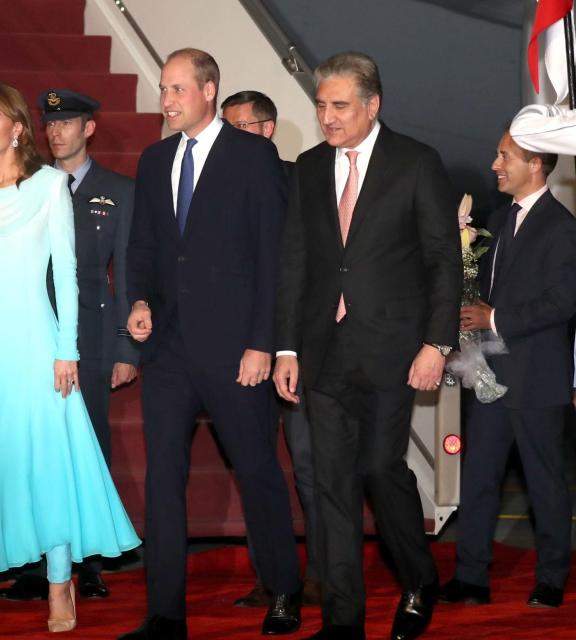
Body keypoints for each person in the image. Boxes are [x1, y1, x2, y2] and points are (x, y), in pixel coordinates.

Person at [0, 82, 140, 639]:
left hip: (37, 343)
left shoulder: (49, 185)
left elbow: (66, 273)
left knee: (47, 463)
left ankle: (60, 583)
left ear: (17, 127)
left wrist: (66, 350)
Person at [273, 51, 461, 640]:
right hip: (322, 350)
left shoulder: (416, 163)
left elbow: (442, 260)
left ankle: (418, 576)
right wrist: (286, 349)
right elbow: (295, 262)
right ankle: (342, 620)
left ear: (372, 105)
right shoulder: (306, 168)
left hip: (393, 348)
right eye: (321, 105)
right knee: (331, 483)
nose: (326, 117)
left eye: (339, 106)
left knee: (380, 469)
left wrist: (436, 342)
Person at [121, 48, 301, 640]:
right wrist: (141, 301)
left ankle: (283, 590)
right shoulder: (153, 161)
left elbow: (275, 256)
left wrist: (263, 344)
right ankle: (166, 615)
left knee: (256, 470)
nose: (166, 99)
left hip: (236, 352)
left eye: (176, 89)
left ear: (208, 90)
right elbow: (144, 247)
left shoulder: (254, 157)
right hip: (168, 351)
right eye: (163, 89)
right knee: (163, 482)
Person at [0, 88, 139, 604]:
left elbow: (125, 273)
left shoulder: (117, 191)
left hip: (93, 337)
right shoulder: (24, 184)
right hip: (31, 332)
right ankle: (37, 563)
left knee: (88, 448)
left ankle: (91, 563)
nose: (56, 131)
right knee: (32, 448)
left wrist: (127, 348)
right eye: (49, 123)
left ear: (89, 129)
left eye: (68, 122)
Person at [439, 132, 576, 609]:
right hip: (489, 376)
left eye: (505, 156)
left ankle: (552, 577)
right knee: (478, 477)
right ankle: (471, 577)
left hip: (538, 378)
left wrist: (492, 317)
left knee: (545, 482)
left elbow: (563, 302)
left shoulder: (561, 227)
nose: (495, 164)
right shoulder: (497, 220)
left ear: (536, 163)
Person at [220, 89, 322, 608]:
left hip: (297, 352)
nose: (231, 137)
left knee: (309, 465)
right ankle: (272, 577)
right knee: (254, 465)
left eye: (242, 127)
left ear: (268, 130)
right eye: (226, 127)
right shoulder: (211, 187)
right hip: (240, 357)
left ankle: (325, 576)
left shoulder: (301, 180)